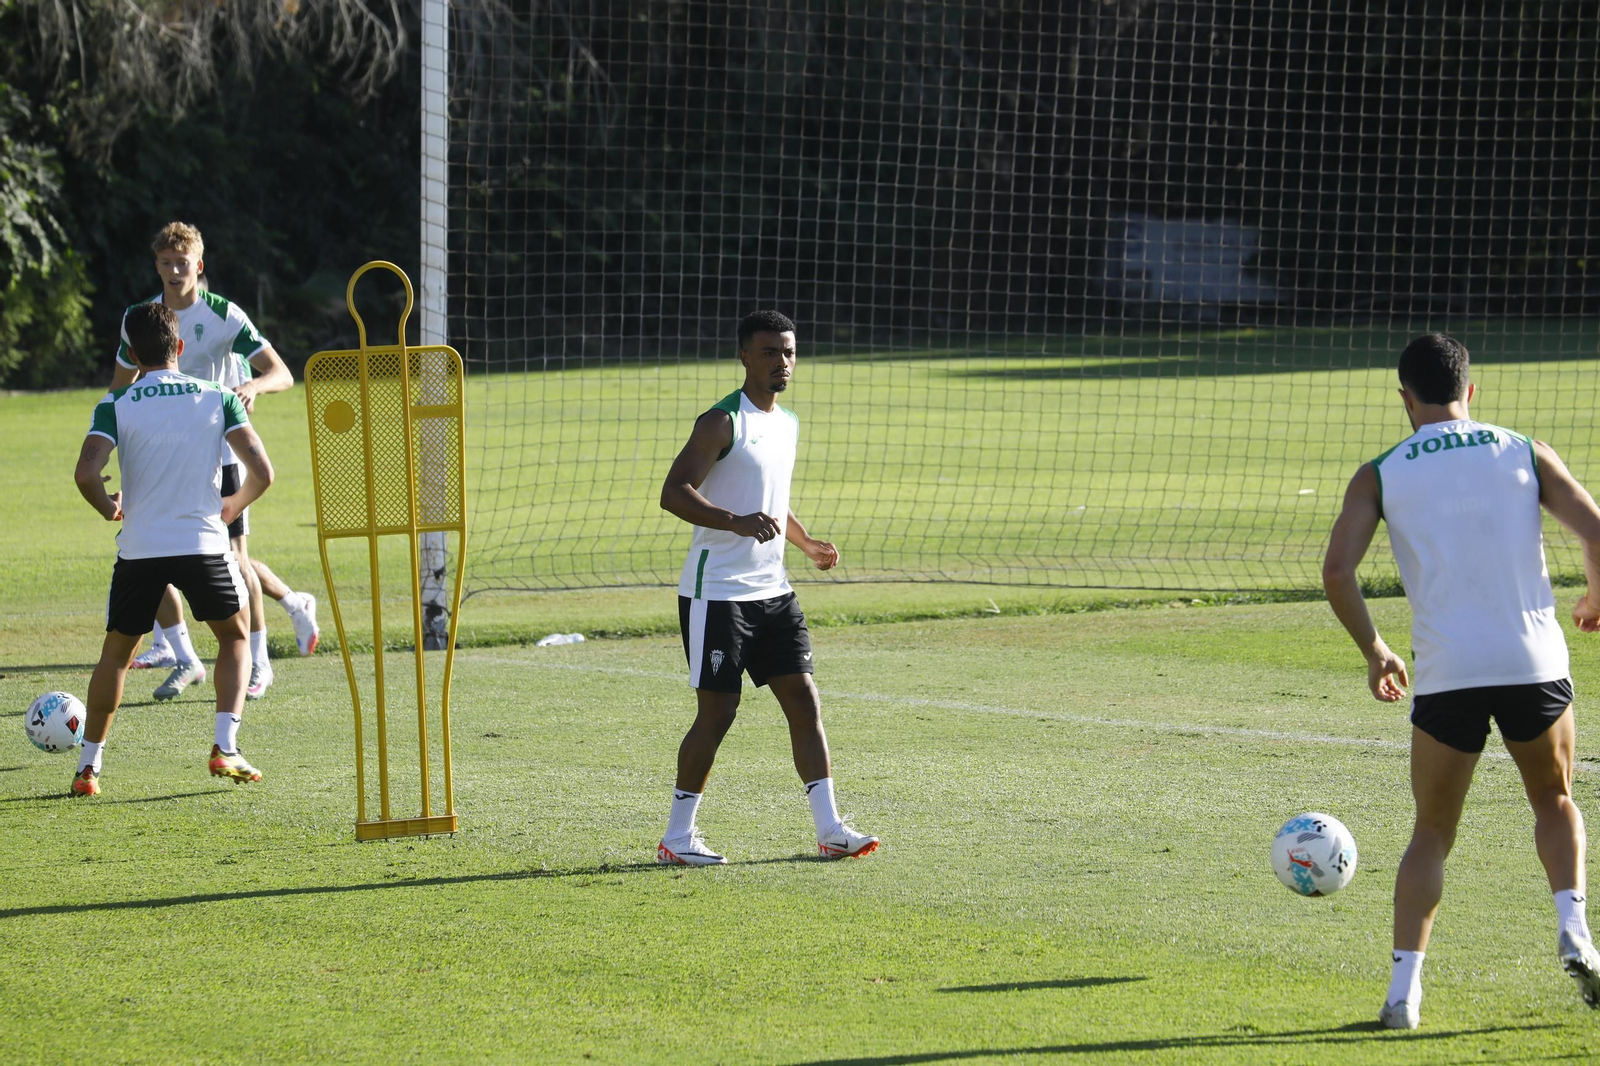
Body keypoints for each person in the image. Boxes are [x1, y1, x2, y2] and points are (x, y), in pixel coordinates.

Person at [1323, 332, 1600, 1028]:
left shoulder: (1381, 472)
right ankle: (1575, 929)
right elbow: (1597, 531)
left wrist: (1377, 650)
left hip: (1448, 676)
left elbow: (1337, 571)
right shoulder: (1522, 449)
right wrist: (1595, 598)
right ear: (1470, 391)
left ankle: (1402, 998)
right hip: (1534, 664)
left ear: (1405, 400)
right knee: (1555, 800)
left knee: (1433, 832)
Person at [655, 310, 878, 865]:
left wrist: (804, 543)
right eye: (770, 352)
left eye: (789, 352)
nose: (782, 362)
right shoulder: (721, 422)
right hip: (718, 594)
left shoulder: (788, 423)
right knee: (719, 712)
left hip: (772, 591)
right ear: (745, 356)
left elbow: (774, 499)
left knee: (804, 702)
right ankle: (676, 838)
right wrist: (732, 520)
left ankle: (830, 830)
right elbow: (674, 491)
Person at [109, 223, 318, 702]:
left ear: (198, 265)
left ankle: (259, 662)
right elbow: (119, 392)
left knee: (233, 559)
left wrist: (252, 387)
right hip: (161, 456)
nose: (175, 270)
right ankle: (183, 655)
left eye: (184, 263)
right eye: (166, 262)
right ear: (157, 265)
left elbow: (281, 372)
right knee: (142, 546)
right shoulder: (142, 320)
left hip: (221, 454)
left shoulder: (223, 315)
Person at [72, 302, 274, 796]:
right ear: (179, 347)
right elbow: (263, 472)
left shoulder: (114, 404)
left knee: (116, 657)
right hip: (202, 543)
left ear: (132, 353)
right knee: (234, 638)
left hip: (140, 547)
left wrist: (108, 506)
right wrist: (232, 507)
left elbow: (84, 473)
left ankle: (88, 769)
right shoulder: (218, 396)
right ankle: (225, 747)